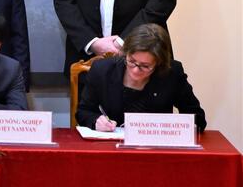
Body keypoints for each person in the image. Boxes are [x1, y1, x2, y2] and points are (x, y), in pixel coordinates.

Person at [76, 23, 206, 132]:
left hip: (156, 153)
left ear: (158, 63)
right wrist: (95, 121)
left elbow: (197, 117)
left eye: (145, 66)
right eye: (131, 61)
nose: (135, 70)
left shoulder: (171, 73)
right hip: (112, 148)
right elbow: (83, 112)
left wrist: (177, 127)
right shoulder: (102, 70)